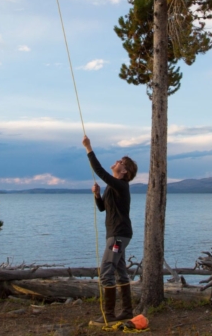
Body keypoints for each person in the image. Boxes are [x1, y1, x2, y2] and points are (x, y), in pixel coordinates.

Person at [82, 134, 138, 323]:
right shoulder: (112, 188)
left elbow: (100, 171)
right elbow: (103, 208)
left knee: (106, 270)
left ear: (125, 172)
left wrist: (89, 148)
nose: (116, 162)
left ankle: (109, 316)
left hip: (118, 237)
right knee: (120, 271)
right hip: (118, 236)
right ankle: (127, 312)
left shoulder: (121, 185)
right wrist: (97, 195)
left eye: (121, 162)